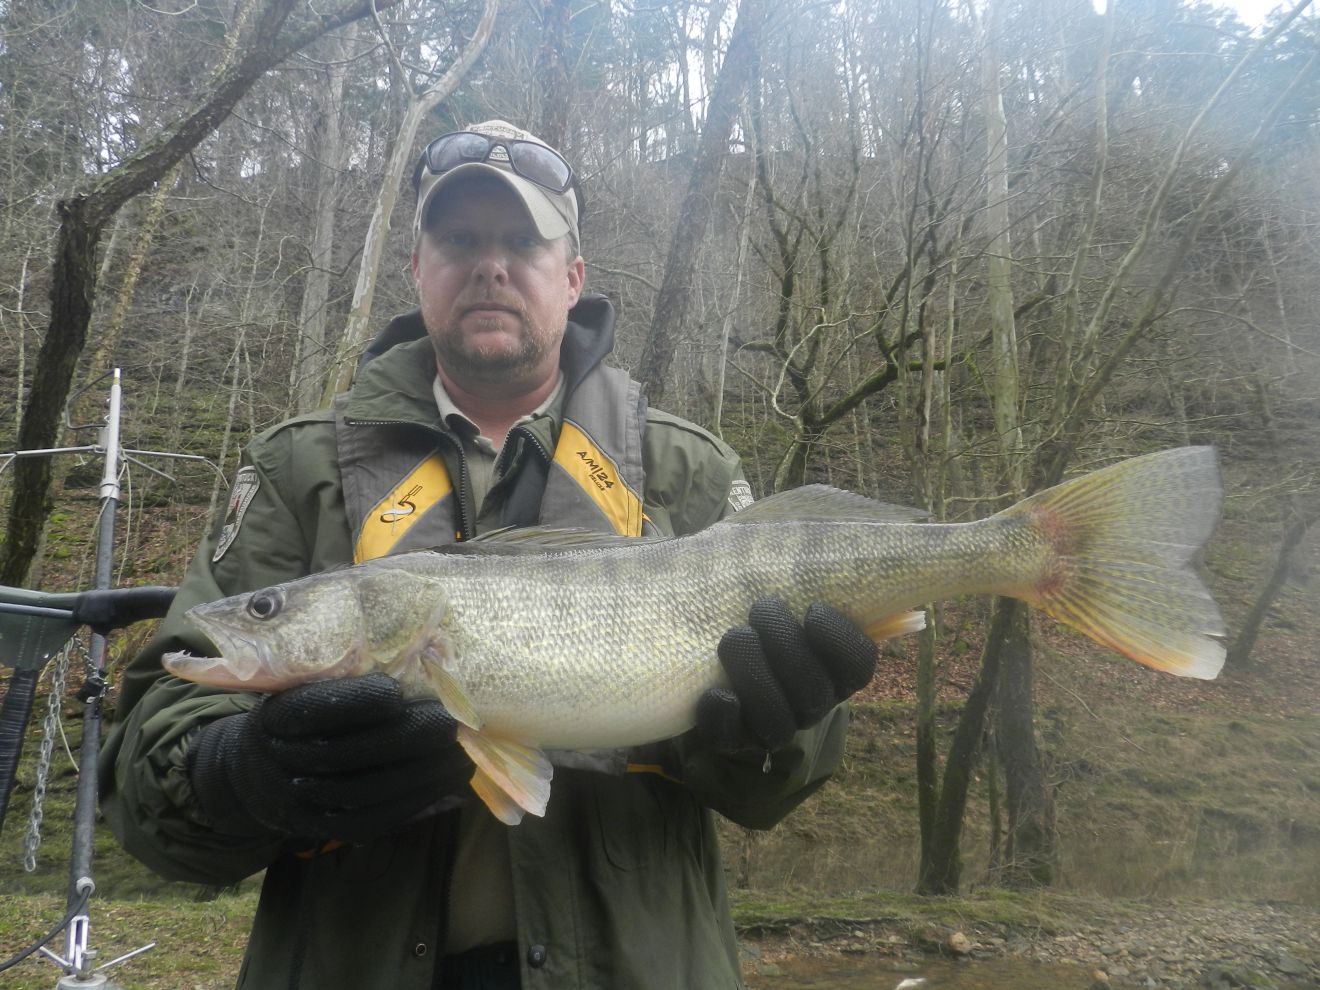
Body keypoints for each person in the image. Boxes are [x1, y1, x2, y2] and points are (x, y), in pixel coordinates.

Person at [101, 119, 878, 990]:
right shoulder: (299, 466)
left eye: (523, 242)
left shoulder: (686, 467)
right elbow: (146, 778)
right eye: (460, 239)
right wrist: (239, 773)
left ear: (573, 276)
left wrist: (784, 726)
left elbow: (778, 787)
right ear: (419, 269)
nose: (491, 265)